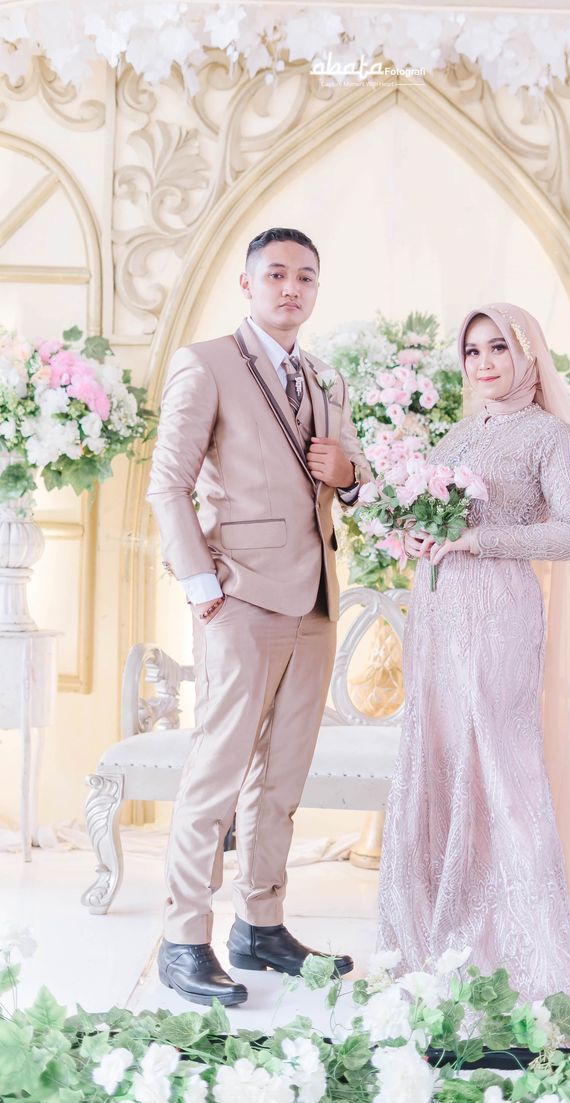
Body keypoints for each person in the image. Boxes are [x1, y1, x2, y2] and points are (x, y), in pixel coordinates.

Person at [147, 227, 371, 1006]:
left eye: (306, 277)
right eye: (275, 273)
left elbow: (348, 475)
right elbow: (166, 482)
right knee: (215, 774)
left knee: (281, 778)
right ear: (246, 283)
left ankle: (261, 923)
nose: (291, 288)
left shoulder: (324, 377)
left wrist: (350, 475)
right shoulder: (203, 363)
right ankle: (182, 936)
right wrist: (199, 581)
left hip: (315, 598)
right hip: (238, 598)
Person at [376, 302, 570, 1000]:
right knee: (438, 755)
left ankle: (523, 951)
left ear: (527, 351)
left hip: (499, 613)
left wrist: (480, 540)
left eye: (496, 347)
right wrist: (415, 535)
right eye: (471, 351)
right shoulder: (458, 432)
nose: (482, 363)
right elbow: (429, 512)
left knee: (499, 765)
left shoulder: (548, 436)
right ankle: (435, 939)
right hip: (440, 612)